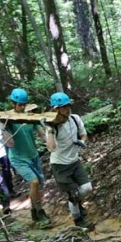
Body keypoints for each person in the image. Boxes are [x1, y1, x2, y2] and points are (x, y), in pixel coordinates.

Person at [43, 92, 93, 230]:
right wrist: (49, 129)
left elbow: (83, 134)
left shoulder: (75, 119)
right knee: (73, 194)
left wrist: (82, 142)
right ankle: (78, 221)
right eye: (64, 107)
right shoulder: (52, 126)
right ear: (56, 109)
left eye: (68, 105)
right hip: (60, 165)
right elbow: (51, 148)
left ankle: (77, 204)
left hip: (74, 161)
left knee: (87, 188)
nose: (67, 109)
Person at [5, 88, 52, 228]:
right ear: (13, 104)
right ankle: (41, 212)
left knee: (39, 186)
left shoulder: (30, 117)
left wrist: (51, 146)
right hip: (18, 158)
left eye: (24, 105)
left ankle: (34, 211)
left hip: (33, 155)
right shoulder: (8, 120)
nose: (22, 107)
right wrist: (2, 127)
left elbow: (42, 134)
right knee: (34, 182)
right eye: (19, 105)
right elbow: (10, 143)